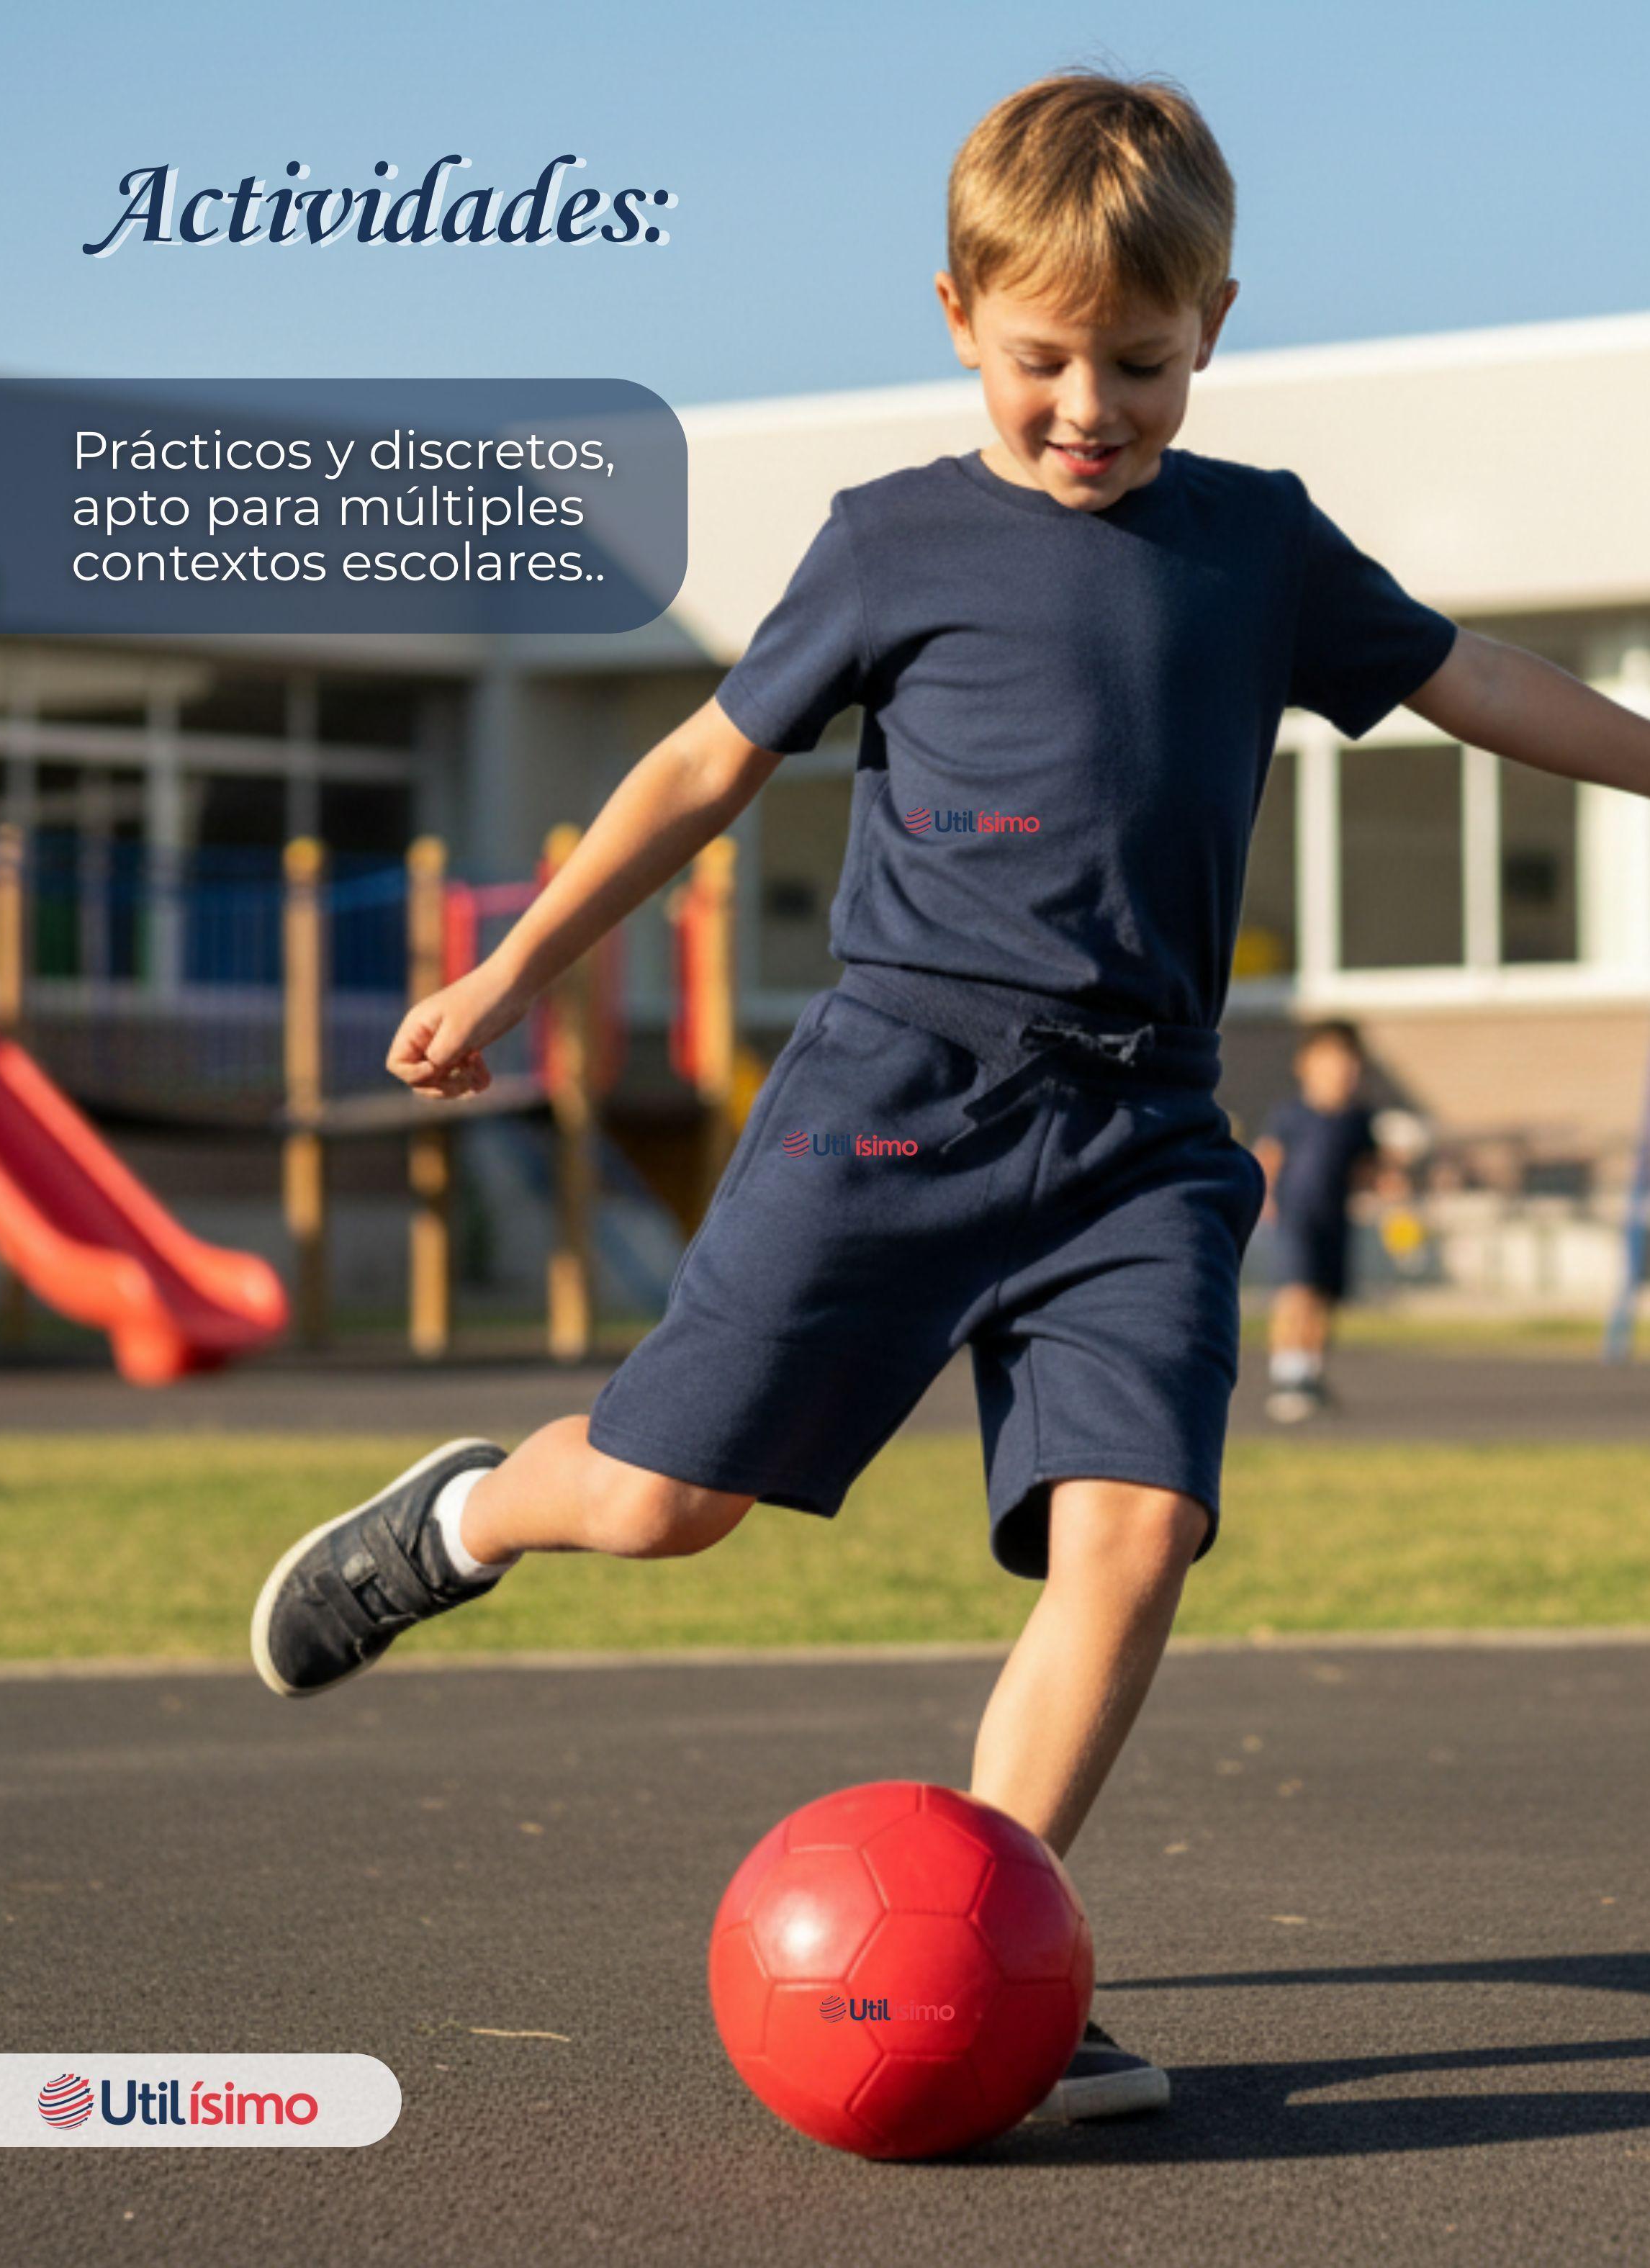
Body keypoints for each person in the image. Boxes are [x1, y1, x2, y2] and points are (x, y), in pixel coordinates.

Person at [251, 67, 1650, 2127]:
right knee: (661, 1504)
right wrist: (511, 965)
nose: (1091, 404)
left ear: (1216, 328)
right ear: (954, 318)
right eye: (1042, 360)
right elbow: (698, 774)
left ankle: (1007, 1946)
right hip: (897, 1089)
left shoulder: (1258, 546)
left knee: (1138, 1528)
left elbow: (1477, 681)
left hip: (1145, 1135)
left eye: (1143, 364)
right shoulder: (890, 538)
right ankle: (464, 1509)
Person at [1255, 1022, 1381, 1423]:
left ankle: (1311, 1372)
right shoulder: (1291, 1115)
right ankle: (1287, 1373)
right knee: (1296, 1294)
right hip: (1296, 1216)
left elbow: (1369, 1169)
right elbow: (1267, 1157)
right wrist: (1262, 1196)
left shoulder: (1357, 1119)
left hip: (1335, 1220)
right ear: (1306, 1065)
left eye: (1347, 1064)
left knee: (1325, 1298)